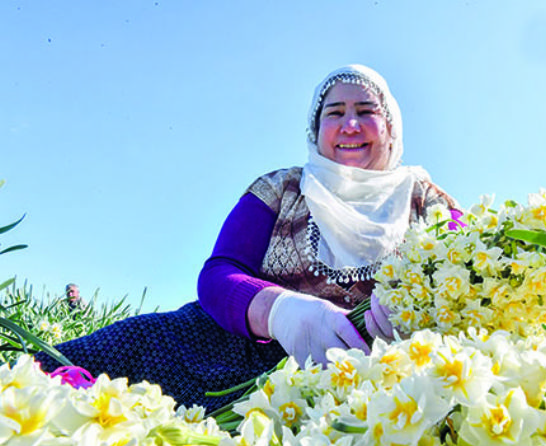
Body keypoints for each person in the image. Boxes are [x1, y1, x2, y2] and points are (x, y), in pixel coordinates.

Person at [34, 64, 458, 411]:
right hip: (245, 353)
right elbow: (220, 273)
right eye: (334, 112)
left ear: (391, 126)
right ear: (316, 128)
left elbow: (467, 261)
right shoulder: (282, 188)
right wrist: (282, 311)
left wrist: (415, 299)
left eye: (366, 110)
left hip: (387, 365)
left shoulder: (425, 199)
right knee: (102, 362)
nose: (350, 124)